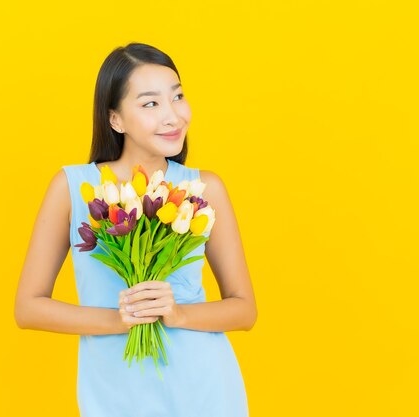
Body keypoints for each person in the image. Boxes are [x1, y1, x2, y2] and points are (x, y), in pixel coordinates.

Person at [14, 42, 257, 417]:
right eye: (150, 104)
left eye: (177, 97)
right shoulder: (74, 188)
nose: (173, 116)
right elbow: (28, 309)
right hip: (114, 392)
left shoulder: (204, 188)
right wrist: (118, 319)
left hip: (204, 390)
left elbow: (244, 310)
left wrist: (177, 314)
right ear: (115, 119)